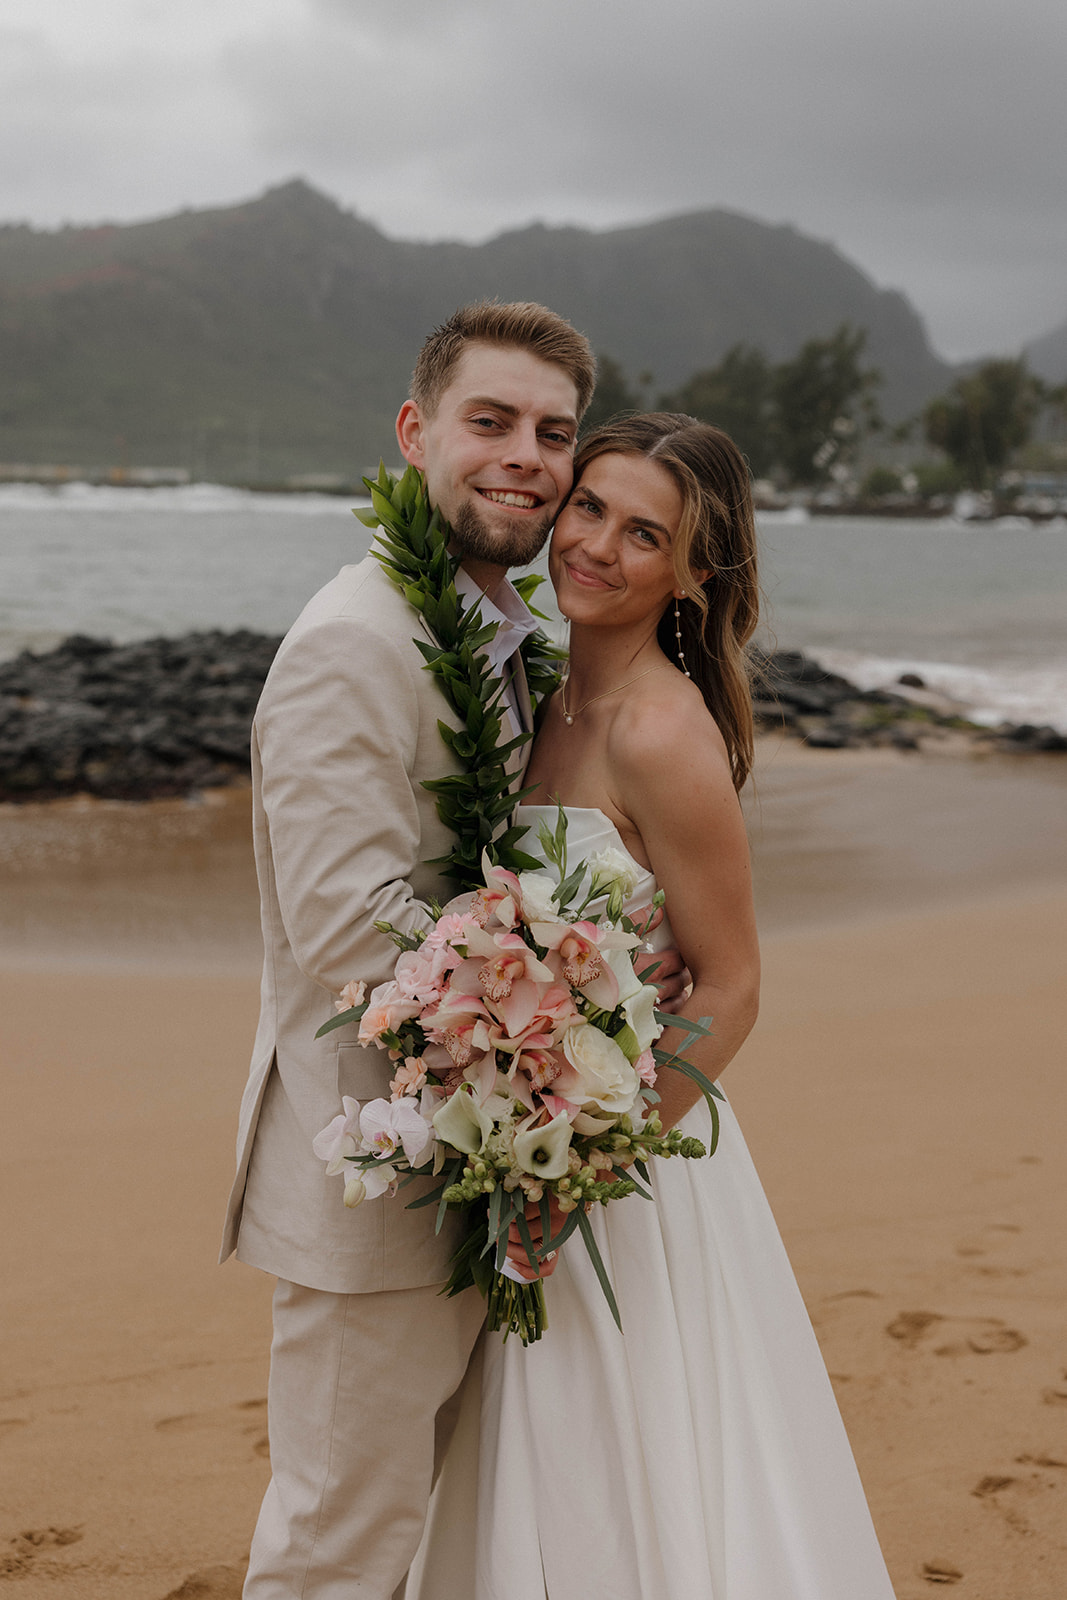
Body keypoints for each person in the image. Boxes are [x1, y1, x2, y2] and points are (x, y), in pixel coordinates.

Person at [407, 415, 897, 1599]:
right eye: (589, 509)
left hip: (617, 1174)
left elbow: (729, 988)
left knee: (616, 1463)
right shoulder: (527, 692)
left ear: (693, 573)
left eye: (644, 535)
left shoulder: (661, 731)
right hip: (520, 1147)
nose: (596, 547)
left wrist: (576, 1174)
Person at [220, 301, 597, 1599]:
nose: (524, 456)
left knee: (430, 1536)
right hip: (375, 1179)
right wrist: (558, 1052)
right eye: (488, 421)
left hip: (470, 1162)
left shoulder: (491, 636)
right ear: (414, 431)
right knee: (337, 1546)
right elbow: (356, 941)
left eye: (552, 432)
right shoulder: (353, 641)